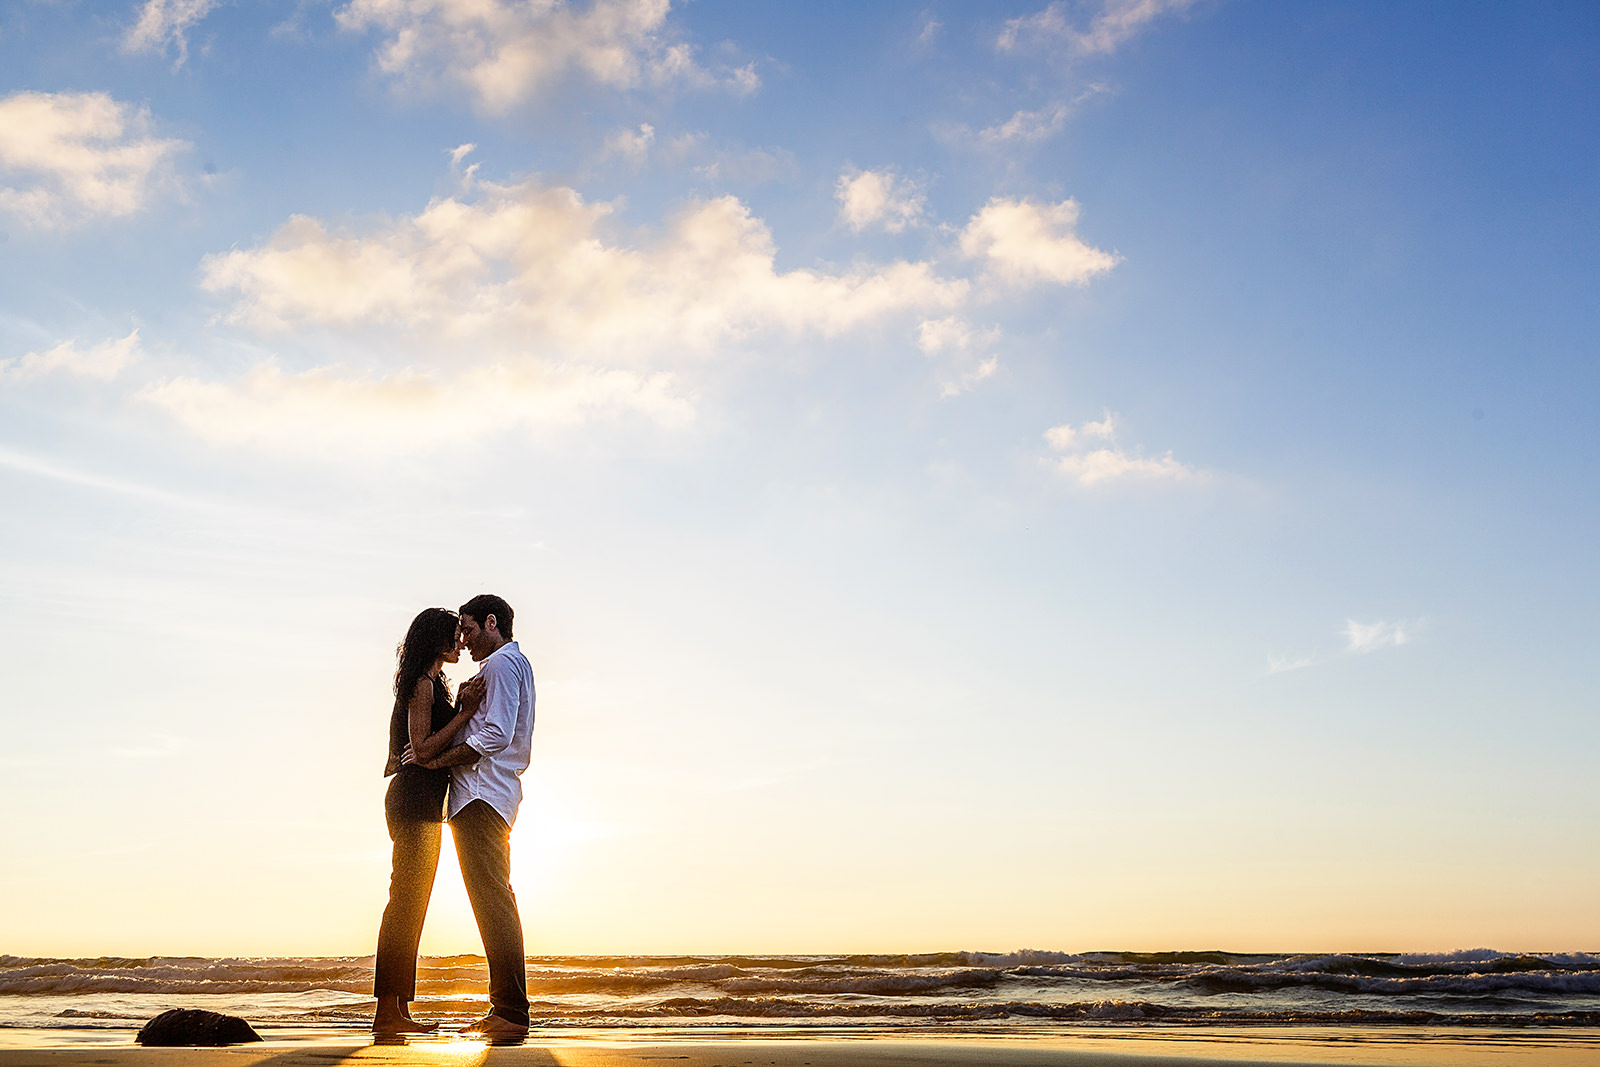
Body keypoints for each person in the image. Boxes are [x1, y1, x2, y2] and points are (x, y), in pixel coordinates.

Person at [405, 593, 536, 1039]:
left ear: (491, 623)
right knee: (493, 899)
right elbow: (486, 726)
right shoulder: (507, 666)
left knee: (493, 900)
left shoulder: (500, 665)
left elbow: (496, 734)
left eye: (468, 627)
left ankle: (511, 1012)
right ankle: (507, 1008)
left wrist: (432, 762)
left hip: (481, 797)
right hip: (491, 797)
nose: (463, 638)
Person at [371, 607, 485, 1035]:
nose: (460, 642)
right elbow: (420, 749)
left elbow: (423, 747)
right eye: (455, 636)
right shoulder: (421, 683)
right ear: (436, 640)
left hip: (422, 802)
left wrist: (457, 707)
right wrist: (465, 713)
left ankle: (398, 1013)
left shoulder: (433, 683)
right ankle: (387, 1014)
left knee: (410, 905)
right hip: (414, 800)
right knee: (405, 904)